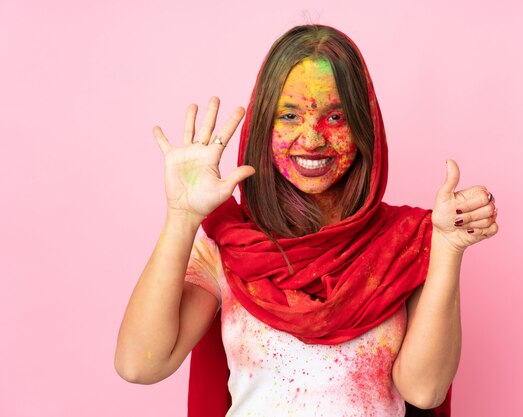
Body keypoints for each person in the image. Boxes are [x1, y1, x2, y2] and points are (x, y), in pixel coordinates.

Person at [115, 24, 499, 417]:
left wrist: (449, 248)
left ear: (365, 126)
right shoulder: (228, 245)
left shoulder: (408, 241)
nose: (311, 138)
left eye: (335, 116)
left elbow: (424, 390)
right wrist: (181, 217)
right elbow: (139, 364)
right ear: (264, 126)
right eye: (290, 115)